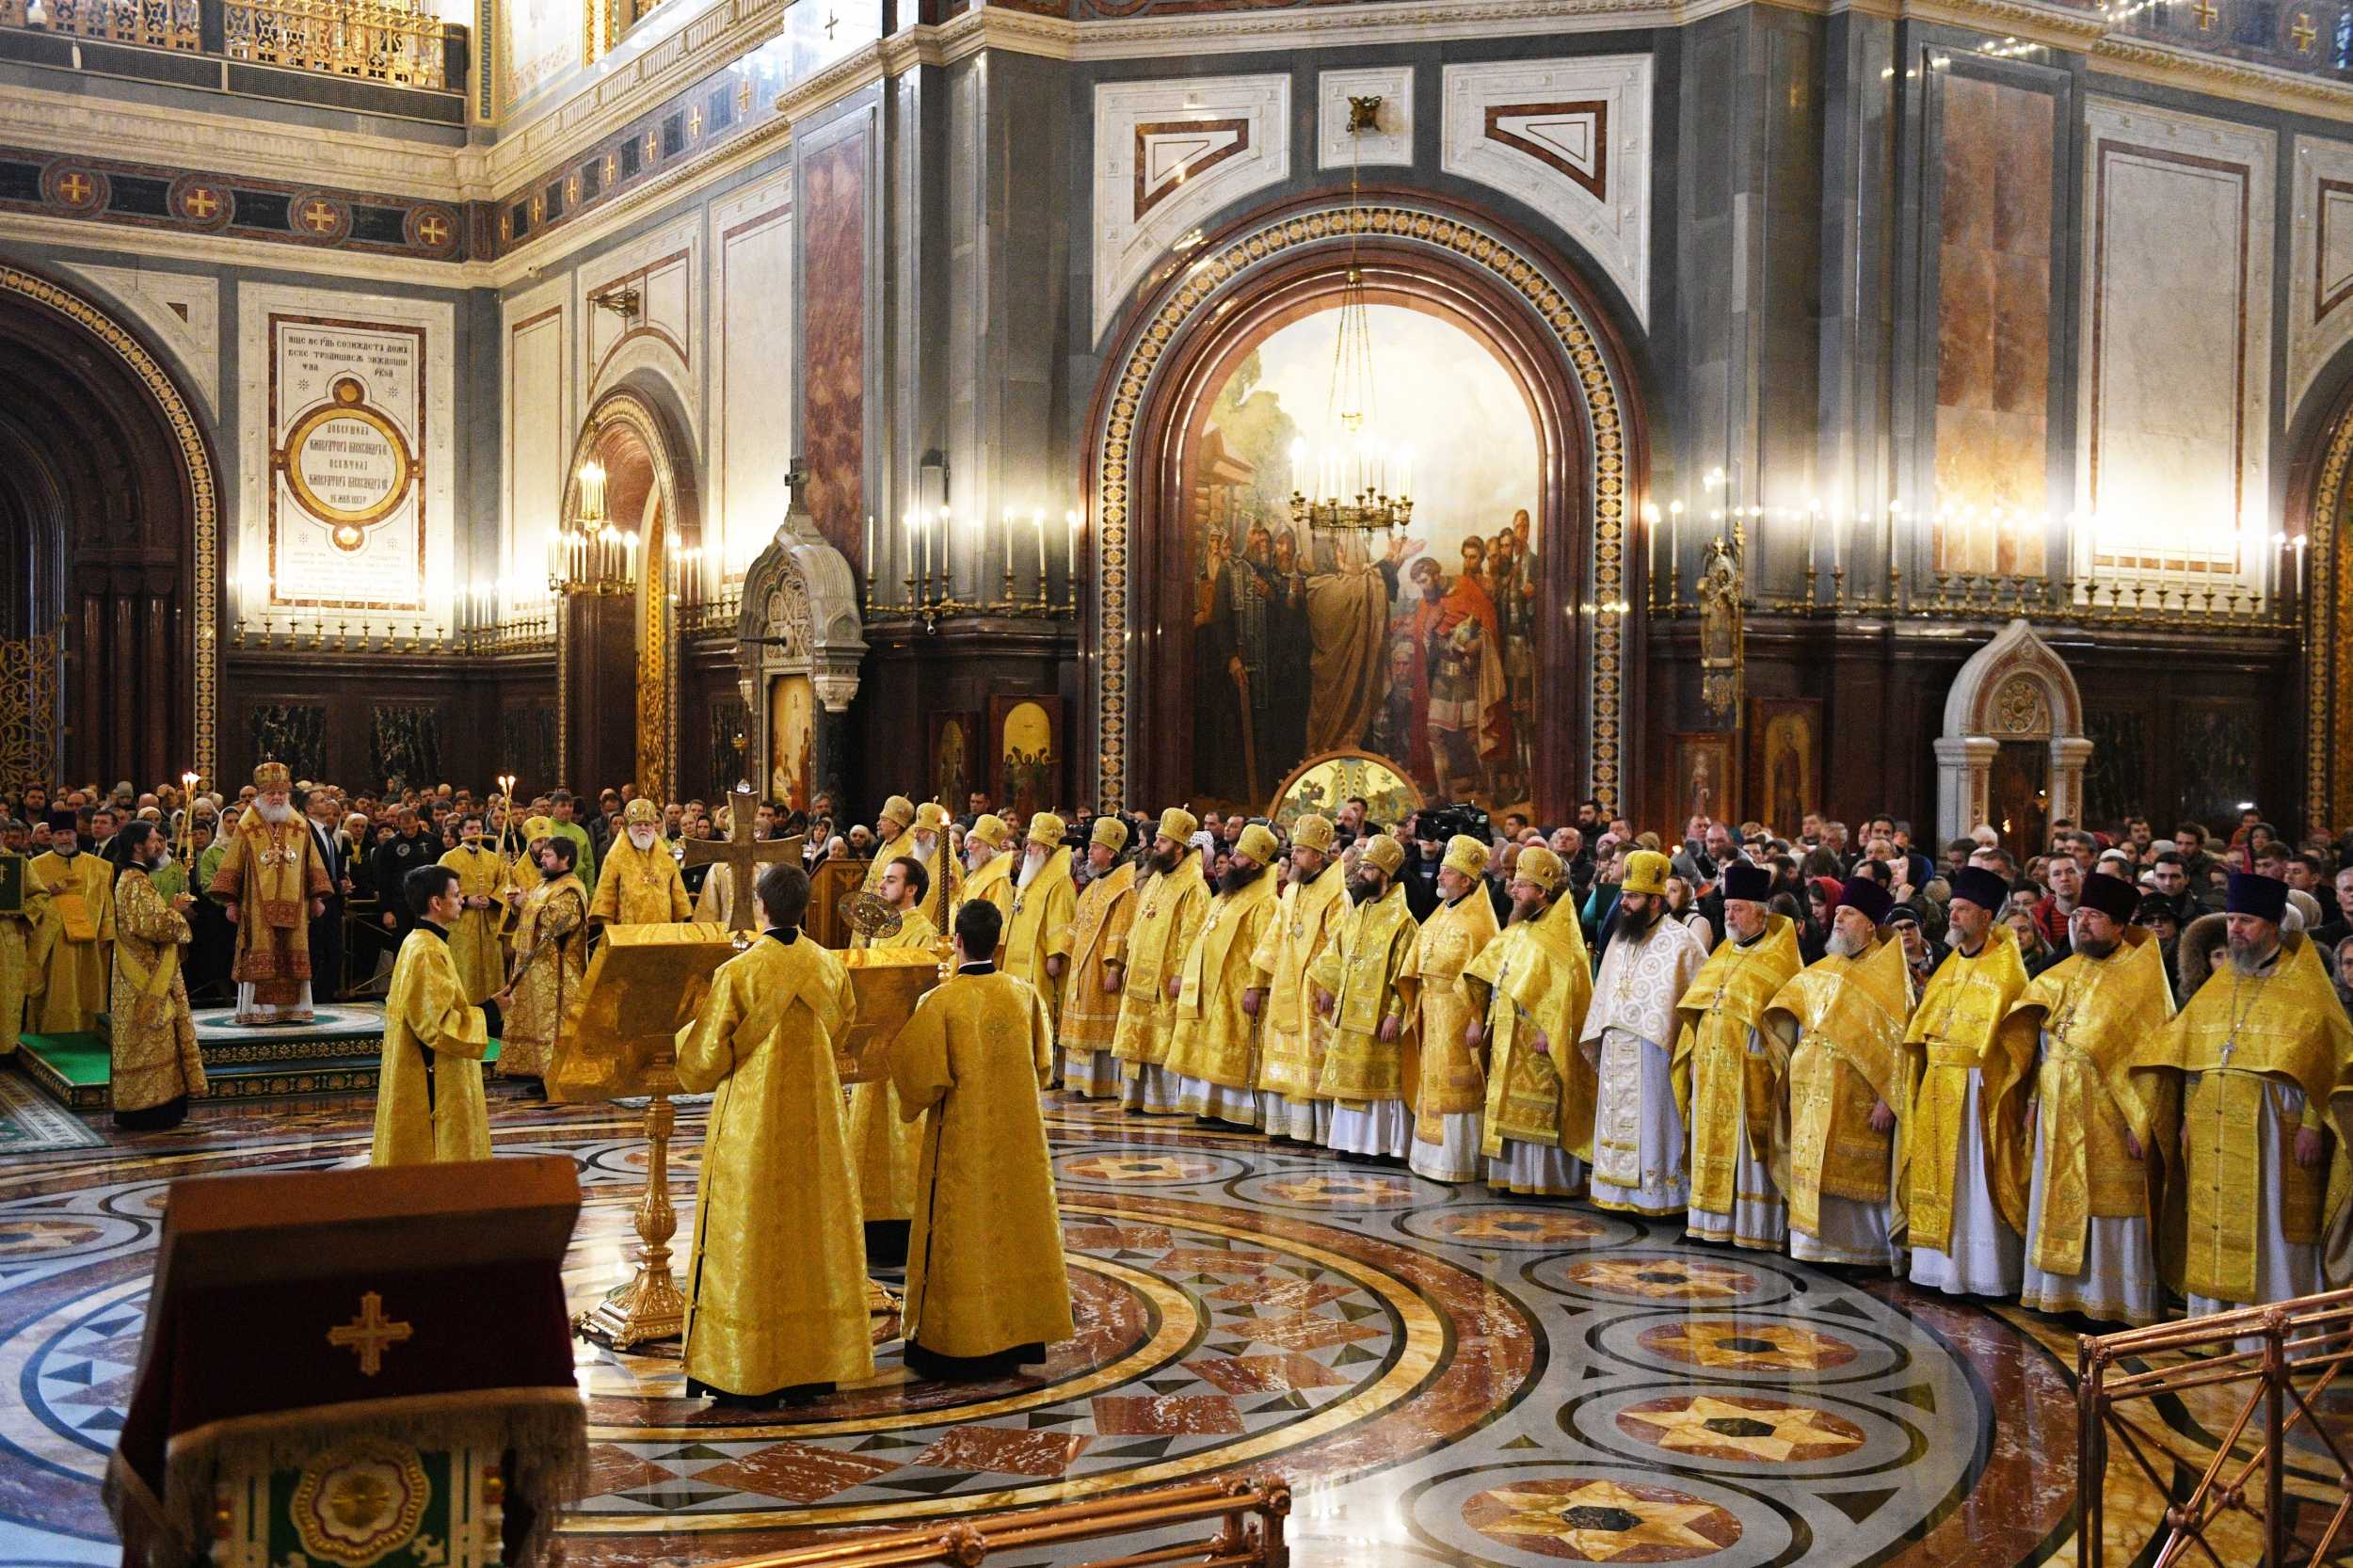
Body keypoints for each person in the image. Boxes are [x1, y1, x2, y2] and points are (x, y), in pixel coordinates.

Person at [674, 859, 872, 1407]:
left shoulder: (738, 973)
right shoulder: (829, 965)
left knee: (749, 1232)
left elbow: (705, 1058)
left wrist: (680, 1042)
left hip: (753, 1124)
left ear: (759, 906)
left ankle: (744, 1368)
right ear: (803, 907)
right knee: (813, 1228)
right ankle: (815, 1362)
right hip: (817, 1120)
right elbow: (844, 1026)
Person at [2133, 871, 2353, 1318]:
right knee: (2213, 1224)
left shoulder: (2306, 985)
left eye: (2246, 921)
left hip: (2275, 1129)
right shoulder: (2222, 982)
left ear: (2273, 925)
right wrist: (2189, 1119)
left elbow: (2331, 1064)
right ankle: (2214, 1329)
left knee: (2270, 1231)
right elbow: (2193, 1059)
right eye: (2231, 919)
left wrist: (2313, 1126)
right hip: (2214, 1124)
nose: (2235, 929)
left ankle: (2277, 1338)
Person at [888, 899, 1073, 1380]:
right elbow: (1044, 1064)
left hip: (962, 1144)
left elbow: (918, 1080)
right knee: (1014, 1228)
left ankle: (956, 1340)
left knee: (963, 1230)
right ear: (998, 941)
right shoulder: (1023, 994)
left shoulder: (940, 1001)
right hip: (1018, 1143)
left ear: (960, 941)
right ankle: (1018, 1335)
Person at [1993, 871, 2173, 1324]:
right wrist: (2033, 1101)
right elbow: (2041, 1046)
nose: (2083, 924)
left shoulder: (2142, 976)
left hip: (2112, 1112)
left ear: (2118, 924)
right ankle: (2058, 1294)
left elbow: (2154, 1056)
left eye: (2094, 917)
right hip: (2058, 1105)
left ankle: (2114, 1300)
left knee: (2111, 1206)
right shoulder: (2063, 972)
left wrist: (2144, 1121)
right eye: (2080, 916)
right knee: (2058, 1198)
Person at [1763, 876, 1915, 1270]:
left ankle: (1859, 1251)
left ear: (1869, 924)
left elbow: (1902, 1043)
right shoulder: (1825, 966)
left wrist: (1889, 1098)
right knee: (1813, 1164)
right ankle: (1810, 1246)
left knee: (1852, 1176)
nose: (1838, 920)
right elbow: (1786, 1006)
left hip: (1859, 1097)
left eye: (1848, 915)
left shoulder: (1889, 975)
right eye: (1839, 913)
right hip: (1811, 1089)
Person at [1901, 864, 2032, 1298]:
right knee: (1940, 1177)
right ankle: (1937, 1269)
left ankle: (1983, 1272)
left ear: (1986, 916)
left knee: (1973, 1180)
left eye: (1962, 910)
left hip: (1979, 1089)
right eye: (1952, 909)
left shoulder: (2006, 968)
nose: (1952, 917)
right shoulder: (1951, 964)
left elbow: (2017, 1038)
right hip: (1939, 1084)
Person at [1673, 861, 1803, 1249]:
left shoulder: (1779, 957)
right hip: (1712, 1069)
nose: (1729, 915)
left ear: (1761, 913)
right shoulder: (1722, 953)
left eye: (1738, 909)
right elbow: (1698, 1009)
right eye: (1727, 908)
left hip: (1751, 1074)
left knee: (1746, 1154)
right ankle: (1708, 1223)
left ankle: (1751, 1229)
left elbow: (1785, 1023)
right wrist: (1694, 1053)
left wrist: (1759, 1056)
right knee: (1708, 1141)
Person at [1578, 850, 1710, 1215]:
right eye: (1623, 895)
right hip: (1617, 1045)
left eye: (1632, 897)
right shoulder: (1620, 938)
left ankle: (1658, 1195)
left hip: (1656, 1051)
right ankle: (1615, 1193)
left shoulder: (1682, 942)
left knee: (1654, 1122)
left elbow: (1699, 996)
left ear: (1655, 900)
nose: (1623, 903)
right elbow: (1605, 992)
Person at [1465, 845, 1594, 1196]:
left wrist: (1547, 1030)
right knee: (1507, 1106)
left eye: (1521, 885)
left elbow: (1568, 991)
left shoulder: (1561, 937)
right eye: (1514, 883)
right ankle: (1511, 1177)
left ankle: (1544, 1181)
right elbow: (1487, 971)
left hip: (1538, 1037)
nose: (1513, 890)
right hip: (1508, 1030)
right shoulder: (1520, 928)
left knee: (1539, 1110)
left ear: (1542, 891)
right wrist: (1479, 1016)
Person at [372, 864, 513, 1165]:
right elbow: (436, 1026)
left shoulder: (423, 942)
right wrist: (490, 1011)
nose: (462, 900)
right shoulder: (426, 951)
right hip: (431, 1075)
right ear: (436, 902)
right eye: (456, 895)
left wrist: (487, 1004)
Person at [843, 853, 938, 1266]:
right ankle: (867, 1219)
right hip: (870, 1050)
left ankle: (903, 1220)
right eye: (882, 880)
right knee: (866, 1137)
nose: (882, 886)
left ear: (911, 888)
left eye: (891, 880)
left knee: (902, 1137)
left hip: (899, 1049)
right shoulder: (881, 929)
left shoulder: (923, 931)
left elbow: (920, 990)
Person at [1308, 834, 1420, 1160]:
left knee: (1378, 1085)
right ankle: (1350, 1142)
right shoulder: (1358, 913)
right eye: (1362, 867)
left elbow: (1405, 975)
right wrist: (1328, 986)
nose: (1360, 873)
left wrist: (1395, 1014)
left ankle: (1380, 1146)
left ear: (1385, 876)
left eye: (1369, 869)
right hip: (1349, 1013)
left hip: (1379, 1019)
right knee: (1349, 1078)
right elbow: (1336, 953)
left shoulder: (1404, 921)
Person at [1401, 834, 1503, 1182]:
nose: (1439, 877)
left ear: (1466, 879)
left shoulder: (1480, 922)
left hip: (1460, 1015)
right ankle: (1429, 1159)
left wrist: (1478, 1020)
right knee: (1432, 1082)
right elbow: (1416, 959)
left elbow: (1486, 978)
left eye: (1446, 872)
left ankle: (1457, 1162)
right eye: (1441, 870)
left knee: (1458, 1086)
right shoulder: (1442, 911)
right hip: (1431, 1010)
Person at [1167, 823, 1283, 1127]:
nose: (1231, 859)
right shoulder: (1223, 896)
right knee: (1208, 1047)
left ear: (1255, 864)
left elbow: (1267, 948)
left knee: (1234, 1049)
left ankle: (1237, 1113)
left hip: (1239, 989)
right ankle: (1210, 1106)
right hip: (1209, 987)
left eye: (1239, 856)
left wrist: (1256, 987)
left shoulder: (1266, 903)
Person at [1252, 814, 1348, 1143]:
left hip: (1313, 990)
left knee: (1311, 1056)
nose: (1293, 855)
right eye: (1294, 849)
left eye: (1302, 851)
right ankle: (1285, 1125)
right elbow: (1274, 935)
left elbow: (1341, 941)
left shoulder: (1337, 894)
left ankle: (1314, 1130)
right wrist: (1258, 980)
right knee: (1284, 1052)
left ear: (1318, 857)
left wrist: (1328, 983)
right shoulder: (1291, 890)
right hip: (1285, 982)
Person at [1112, 809, 1210, 1116]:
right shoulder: (1155, 879)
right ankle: (1136, 1097)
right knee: (1137, 1037)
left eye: (1162, 841)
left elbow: (1193, 936)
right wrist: (1124, 960)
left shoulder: (1194, 886)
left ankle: (1164, 1100)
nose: (1156, 845)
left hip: (1166, 978)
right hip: (1138, 972)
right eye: (1157, 839)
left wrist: (1181, 972)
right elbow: (1139, 923)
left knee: (1160, 1036)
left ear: (1179, 848)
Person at [106, 822, 205, 1130]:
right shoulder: (135, 880)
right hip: (146, 976)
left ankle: (157, 1106)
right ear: (138, 846)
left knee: (154, 1038)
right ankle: (150, 1110)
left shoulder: (135, 878)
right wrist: (176, 911)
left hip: (143, 970)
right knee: (152, 1036)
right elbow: (152, 926)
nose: (159, 847)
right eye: (154, 841)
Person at [501, 827, 588, 1093]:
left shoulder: (571, 889)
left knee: (553, 1026)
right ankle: (536, 1073)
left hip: (557, 972)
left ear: (566, 860)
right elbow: (530, 916)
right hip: (534, 970)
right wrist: (518, 903)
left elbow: (557, 922)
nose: (543, 860)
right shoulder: (544, 884)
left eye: (548, 856)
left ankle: (554, 1078)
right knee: (536, 1022)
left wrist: (527, 903)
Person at [1058, 818, 1136, 1097]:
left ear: (1111, 853)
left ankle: (1101, 1084)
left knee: (1099, 1024)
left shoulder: (1123, 888)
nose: (1089, 851)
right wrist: (1063, 954)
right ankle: (1080, 1082)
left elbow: (1121, 930)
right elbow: (1077, 924)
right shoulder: (1094, 886)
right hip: (1081, 965)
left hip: (1102, 968)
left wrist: (1115, 969)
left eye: (1095, 847)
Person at [27, 813, 112, 1034]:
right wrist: (47, 891)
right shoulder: (35, 866)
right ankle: (52, 1032)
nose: (65, 839)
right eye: (59, 834)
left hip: (90, 943)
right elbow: (27, 903)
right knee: (58, 988)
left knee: (89, 987)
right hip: (54, 944)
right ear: (52, 837)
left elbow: (108, 905)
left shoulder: (100, 867)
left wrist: (107, 935)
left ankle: (91, 1031)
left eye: (68, 833)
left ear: (76, 834)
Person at [1002, 813, 1077, 1028]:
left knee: (1038, 1011)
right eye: (1028, 843)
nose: (1028, 849)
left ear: (1046, 849)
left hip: (1041, 958)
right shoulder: (1031, 874)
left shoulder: (1060, 880)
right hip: (1017, 956)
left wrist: (1055, 955)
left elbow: (1062, 918)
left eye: (1034, 845)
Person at [437, 813, 506, 1004]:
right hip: (461, 924)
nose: (476, 832)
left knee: (492, 968)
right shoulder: (449, 858)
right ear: (461, 832)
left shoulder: (494, 858)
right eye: (471, 829)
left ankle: (494, 1013)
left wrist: (492, 900)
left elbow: (505, 883)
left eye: (479, 828)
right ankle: (463, 1009)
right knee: (465, 968)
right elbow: (441, 887)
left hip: (490, 922)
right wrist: (466, 900)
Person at [590, 799, 692, 928]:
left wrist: (680, 920)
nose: (643, 828)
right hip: (627, 930)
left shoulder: (665, 856)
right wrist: (609, 928)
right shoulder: (615, 856)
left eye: (647, 824)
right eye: (638, 824)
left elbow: (677, 891)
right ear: (628, 827)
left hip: (662, 929)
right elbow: (606, 893)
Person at [0, 818, 41, 1056]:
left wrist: (22, 913)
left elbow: (38, 896)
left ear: (3, 835)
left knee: (7, 992)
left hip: (7, 936)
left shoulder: (17, 863)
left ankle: (5, 1049)